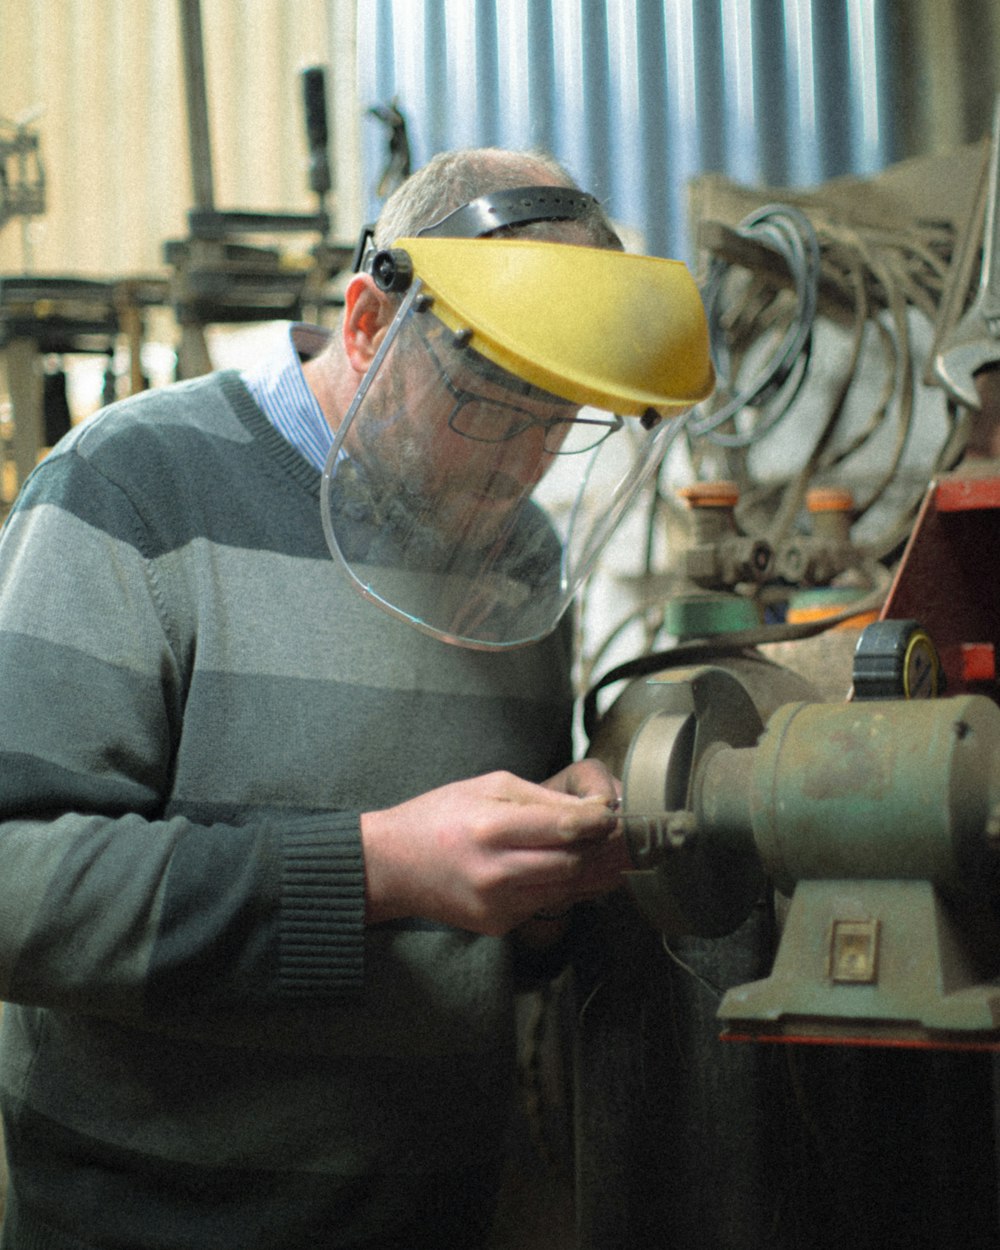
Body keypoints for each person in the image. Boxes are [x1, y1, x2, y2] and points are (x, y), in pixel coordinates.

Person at [0, 147, 712, 1248]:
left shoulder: (518, 563)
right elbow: (15, 888)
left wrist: (548, 888)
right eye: (485, 404)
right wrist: (378, 868)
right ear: (370, 323)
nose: (518, 464)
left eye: (558, 418)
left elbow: (474, 948)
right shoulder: (130, 488)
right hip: (147, 1221)